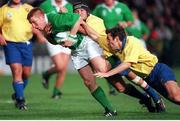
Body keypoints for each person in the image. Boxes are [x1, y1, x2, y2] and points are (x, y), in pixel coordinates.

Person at [73, 1, 165, 112]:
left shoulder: (96, 20)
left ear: (87, 11)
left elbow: (89, 33)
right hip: (97, 55)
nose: (79, 13)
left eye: (81, 10)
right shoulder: (99, 9)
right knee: (121, 88)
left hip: (109, 53)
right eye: (76, 11)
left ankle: (157, 98)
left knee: (135, 78)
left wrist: (75, 24)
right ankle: (144, 98)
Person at [27, 7, 117, 117]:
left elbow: (78, 18)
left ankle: (117, 58)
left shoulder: (54, 19)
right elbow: (54, 42)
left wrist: (71, 36)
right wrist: (47, 35)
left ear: (41, 17)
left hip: (87, 43)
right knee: (88, 82)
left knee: (102, 70)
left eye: (34, 22)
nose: (33, 26)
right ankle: (110, 110)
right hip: (76, 51)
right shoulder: (46, 27)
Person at [95, 26, 180, 106]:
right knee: (175, 99)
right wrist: (83, 23)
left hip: (158, 71)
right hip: (149, 79)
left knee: (176, 97)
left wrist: (108, 73)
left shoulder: (131, 42)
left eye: (109, 39)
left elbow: (127, 64)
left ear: (117, 39)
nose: (107, 42)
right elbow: (94, 36)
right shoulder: (115, 46)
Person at [92, 0, 135, 94]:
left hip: (119, 40)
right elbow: (92, 19)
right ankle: (112, 86)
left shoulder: (122, 6)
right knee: (106, 63)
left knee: (124, 62)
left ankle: (139, 83)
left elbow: (131, 20)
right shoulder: (99, 8)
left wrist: (126, 24)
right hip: (106, 40)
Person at [0, 0, 33, 110]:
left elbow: (38, 22)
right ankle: (20, 100)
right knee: (16, 70)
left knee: (26, 73)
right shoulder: (3, 9)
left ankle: (18, 92)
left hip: (27, 44)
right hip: (10, 44)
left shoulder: (29, 8)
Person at [38, 0, 72, 99]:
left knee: (63, 68)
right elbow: (38, 20)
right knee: (60, 66)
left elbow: (72, 20)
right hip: (52, 38)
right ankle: (47, 74)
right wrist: (41, 35)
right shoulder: (46, 4)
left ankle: (56, 91)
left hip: (66, 37)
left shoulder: (68, 5)